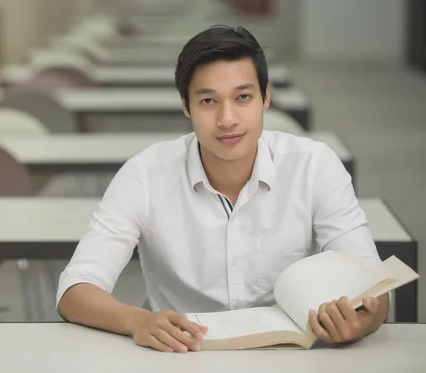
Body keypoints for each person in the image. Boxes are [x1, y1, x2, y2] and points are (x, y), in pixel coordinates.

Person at [56, 25, 389, 352]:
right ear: (186, 106)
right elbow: (75, 289)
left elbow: (375, 287)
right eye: (208, 101)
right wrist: (137, 321)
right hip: (179, 356)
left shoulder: (314, 166)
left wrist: (360, 322)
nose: (227, 119)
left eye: (243, 97)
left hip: (290, 358)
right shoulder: (144, 175)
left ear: (266, 97)